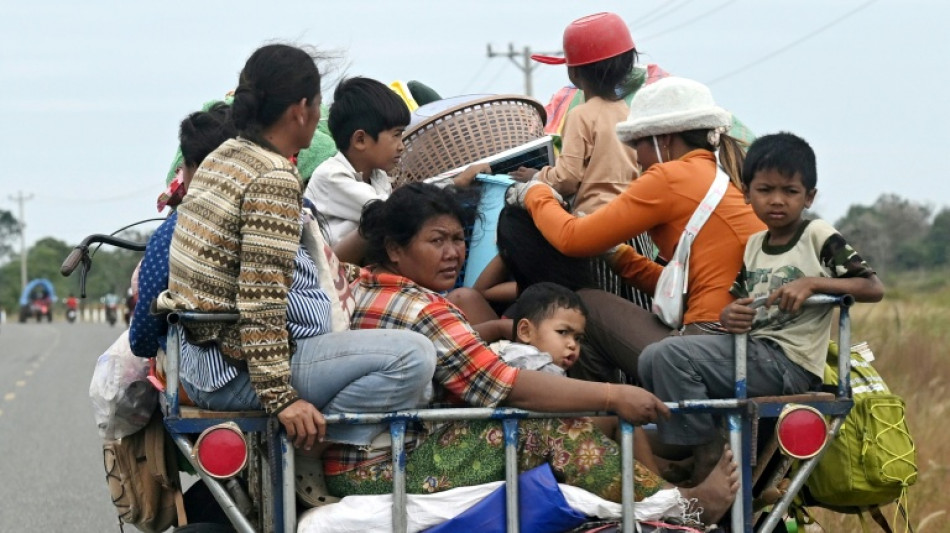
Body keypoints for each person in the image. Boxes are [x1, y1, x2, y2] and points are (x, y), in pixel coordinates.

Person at [325, 182, 740, 527]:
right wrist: (613, 395)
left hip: (374, 456)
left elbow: (338, 253)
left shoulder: (359, 281)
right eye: (437, 240)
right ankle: (682, 509)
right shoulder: (424, 308)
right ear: (394, 249)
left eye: (458, 239)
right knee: (546, 428)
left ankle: (659, 494)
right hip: (384, 467)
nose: (453, 253)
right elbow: (506, 385)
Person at [156, 45, 436, 467]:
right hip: (238, 373)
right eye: (318, 102)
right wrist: (282, 399)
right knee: (415, 357)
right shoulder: (272, 175)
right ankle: (316, 455)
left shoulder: (222, 158)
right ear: (301, 109)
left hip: (204, 363)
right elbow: (261, 299)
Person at [639, 131, 885, 484]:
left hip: (790, 363)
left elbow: (871, 286)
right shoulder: (755, 244)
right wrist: (730, 315)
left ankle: (707, 459)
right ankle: (701, 450)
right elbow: (737, 301)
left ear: (809, 197)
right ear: (747, 194)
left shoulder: (817, 235)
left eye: (790, 191)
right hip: (752, 353)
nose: (777, 201)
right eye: (765, 190)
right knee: (651, 356)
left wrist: (813, 283)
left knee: (669, 356)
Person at [507, 76, 766, 385]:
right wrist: (620, 257)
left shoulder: (670, 176)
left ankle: (594, 420)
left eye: (637, 144)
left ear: (664, 139)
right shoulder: (720, 175)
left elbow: (571, 239)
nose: (636, 157)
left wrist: (535, 192)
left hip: (711, 343)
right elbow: (686, 289)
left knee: (588, 304)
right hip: (739, 343)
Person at [129, 103, 237, 359]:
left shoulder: (171, 234)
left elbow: (142, 339)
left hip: (204, 374)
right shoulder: (284, 211)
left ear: (193, 168)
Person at [512, 12, 638, 218]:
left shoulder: (580, 116)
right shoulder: (628, 112)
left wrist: (536, 176)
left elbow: (567, 179)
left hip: (596, 222)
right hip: (632, 220)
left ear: (574, 73)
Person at [303, 76, 408, 246]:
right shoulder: (331, 176)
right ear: (360, 140)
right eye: (396, 135)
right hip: (326, 268)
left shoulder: (378, 176)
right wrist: (452, 183)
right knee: (375, 220)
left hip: (353, 266)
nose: (401, 146)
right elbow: (391, 213)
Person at [498, 281, 587, 375]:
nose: (573, 345)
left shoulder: (504, 353)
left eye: (577, 338)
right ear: (526, 331)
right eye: (562, 332)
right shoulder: (536, 366)